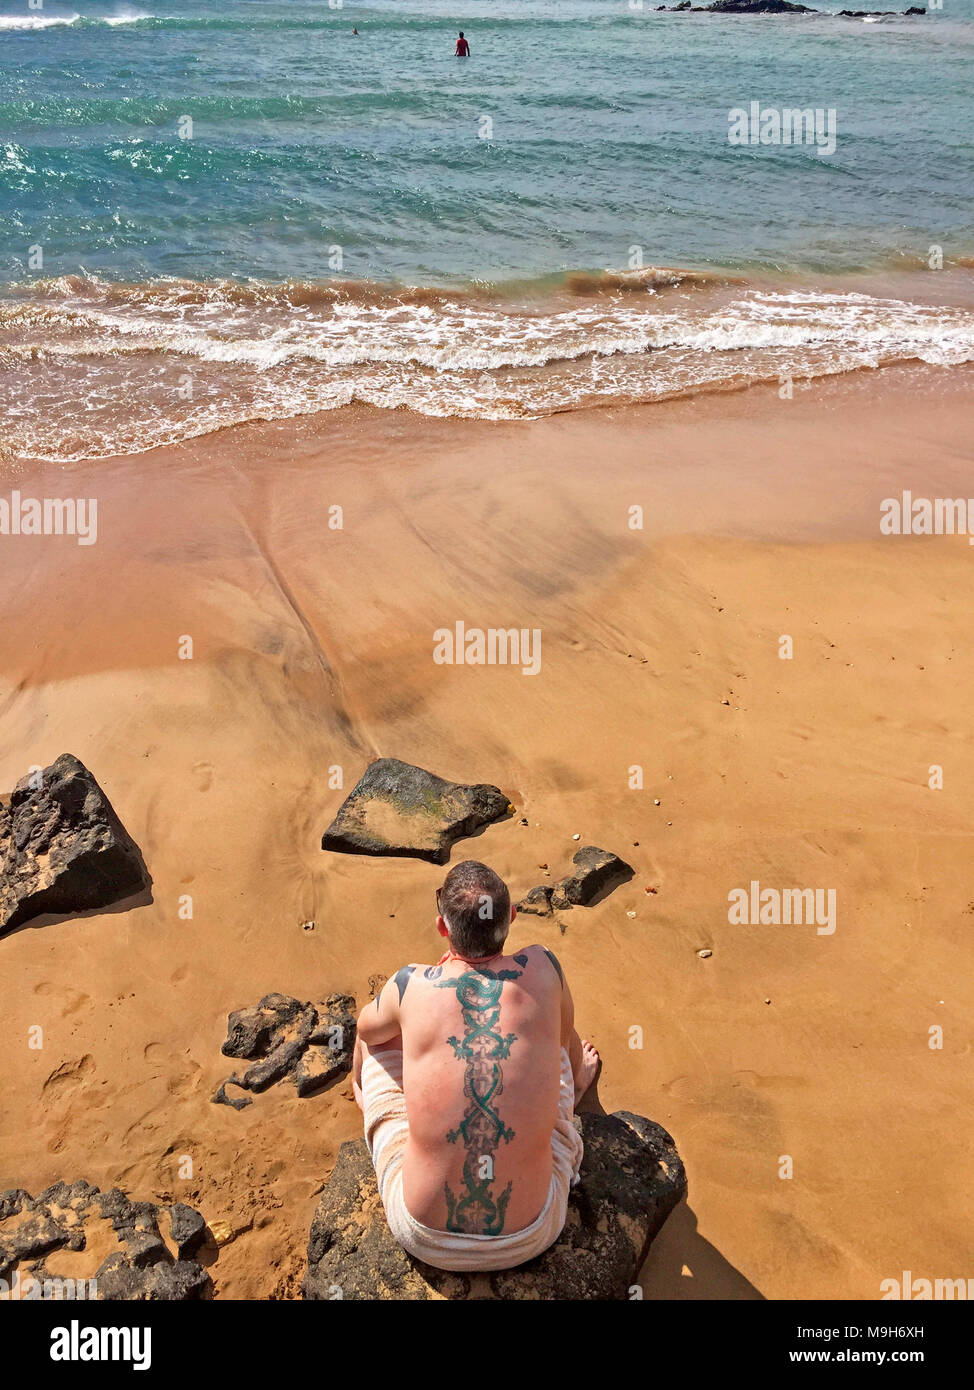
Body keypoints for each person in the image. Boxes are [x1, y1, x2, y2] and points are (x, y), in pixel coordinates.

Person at [353, 859, 602, 1271]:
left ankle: (369, 1104)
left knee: (376, 1037)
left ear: (442, 928)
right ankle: (573, 1090)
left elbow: (366, 1028)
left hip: (421, 1233)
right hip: (533, 1232)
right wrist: (570, 1077)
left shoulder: (410, 983)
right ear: (511, 917)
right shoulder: (543, 967)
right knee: (554, 1037)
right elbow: (563, 1039)